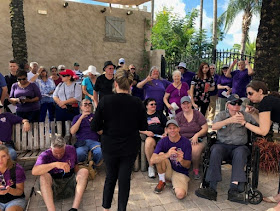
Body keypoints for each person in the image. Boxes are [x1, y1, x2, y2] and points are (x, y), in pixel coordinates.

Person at [91, 69, 147, 211]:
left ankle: (106, 208)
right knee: (124, 179)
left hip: (110, 145)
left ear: (115, 83)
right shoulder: (137, 102)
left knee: (110, 177)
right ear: (130, 85)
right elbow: (143, 126)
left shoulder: (105, 101)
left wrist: (105, 129)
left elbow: (94, 125)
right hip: (130, 145)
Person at [195, 94, 257, 203]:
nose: (236, 106)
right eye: (233, 103)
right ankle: (211, 188)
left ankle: (234, 189)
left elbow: (259, 124)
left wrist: (254, 113)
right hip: (222, 145)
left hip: (240, 146)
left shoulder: (245, 115)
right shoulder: (222, 115)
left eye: (239, 103)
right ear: (228, 105)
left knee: (241, 153)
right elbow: (214, 127)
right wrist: (230, 120)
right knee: (215, 150)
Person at [243, 81, 280, 210]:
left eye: (250, 93)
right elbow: (266, 125)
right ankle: (278, 197)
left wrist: (244, 123)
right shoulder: (268, 101)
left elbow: (263, 131)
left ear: (260, 91)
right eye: (247, 94)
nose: (249, 96)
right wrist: (254, 113)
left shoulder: (266, 102)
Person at [32, 137, 88, 211]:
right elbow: (34, 171)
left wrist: (80, 181)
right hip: (54, 186)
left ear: (65, 147)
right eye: (56, 153)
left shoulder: (71, 149)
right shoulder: (44, 155)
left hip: (70, 183)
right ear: (51, 149)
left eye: (61, 153)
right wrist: (55, 164)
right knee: (43, 176)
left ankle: (74, 208)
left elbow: (75, 165)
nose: (59, 156)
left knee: (84, 171)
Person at [150, 119, 192, 199]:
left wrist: (182, 160)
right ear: (166, 130)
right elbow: (152, 160)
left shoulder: (186, 142)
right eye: (170, 128)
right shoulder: (163, 141)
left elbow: (188, 166)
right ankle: (162, 180)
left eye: (174, 128)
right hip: (168, 169)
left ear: (178, 129)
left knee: (180, 195)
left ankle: (174, 184)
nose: (172, 130)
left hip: (180, 172)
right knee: (161, 155)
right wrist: (168, 154)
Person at [175, 96, 208, 180]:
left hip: (199, 138)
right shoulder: (178, 116)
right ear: (181, 106)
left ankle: (195, 169)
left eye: (188, 103)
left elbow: (205, 128)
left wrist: (196, 135)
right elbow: (175, 130)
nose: (186, 105)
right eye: (184, 104)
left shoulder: (197, 114)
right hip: (183, 139)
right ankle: (183, 167)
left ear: (191, 104)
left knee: (195, 149)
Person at [70, 99, 103, 175]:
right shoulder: (77, 117)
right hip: (82, 142)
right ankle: (83, 166)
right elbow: (72, 131)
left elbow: (101, 132)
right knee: (79, 153)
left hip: (94, 141)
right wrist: (81, 118)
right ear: (81, 107)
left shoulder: (95, 117)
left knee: (100, 152)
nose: (87, 106)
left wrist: (94, 124)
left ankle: (93, 166)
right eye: (85, 104)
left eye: (89, 104)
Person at [140, 98, 167, 178]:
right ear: (146, 106)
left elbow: (167, 125)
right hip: (150, 136)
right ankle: (151, 166)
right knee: (148, 142)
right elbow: (137, 128)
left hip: (161, 135)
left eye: (155, 104)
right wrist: (146, 132)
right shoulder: (143, 115)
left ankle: (163, 168)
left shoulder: (160, 113)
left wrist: (165, 133)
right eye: (151, 104)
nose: (154, 106)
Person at [0, 145, 27, 211]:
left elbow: (20, 191)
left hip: (15, 199)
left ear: (8, 156)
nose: (0, 160)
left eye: (3, 156)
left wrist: (9, 190)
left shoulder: (16, 169)